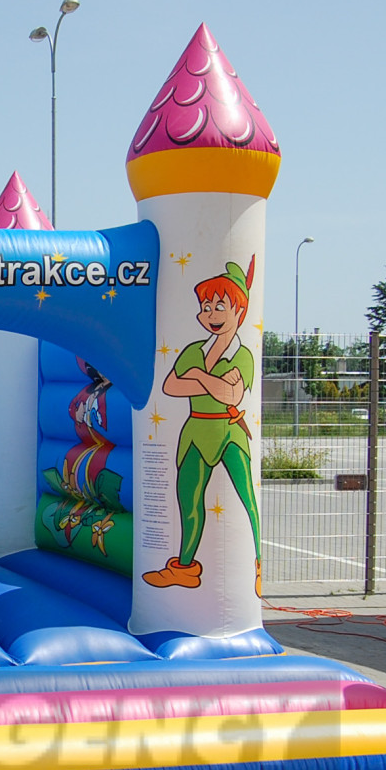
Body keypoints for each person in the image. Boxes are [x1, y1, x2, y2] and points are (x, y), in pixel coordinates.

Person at [141, 255, 263, 597]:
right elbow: (171, 386)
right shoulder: (194, 350)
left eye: (219, 306)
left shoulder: (242, 354)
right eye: (206, 307)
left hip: (230, 433)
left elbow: (231, 395)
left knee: (247, 497)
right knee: (189, 497)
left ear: (239, 311)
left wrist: (197, 376)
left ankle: (256, 564)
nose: (211, 314)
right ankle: (184, 568)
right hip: (195, 430)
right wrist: (211, 381)